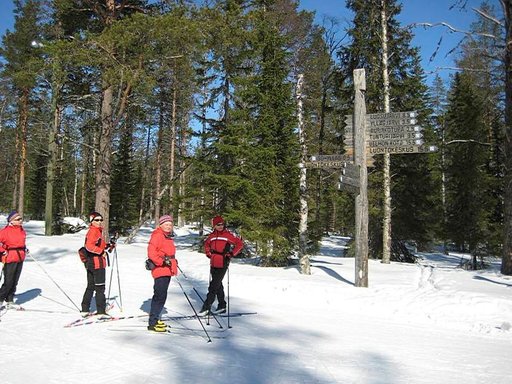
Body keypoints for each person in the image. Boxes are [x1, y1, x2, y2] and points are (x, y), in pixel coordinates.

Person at [199, 215, 243, 315]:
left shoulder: (227, 235)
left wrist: (232, 253)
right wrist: (208, 253)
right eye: (218, 224)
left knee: (213, 286)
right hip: (213, 261)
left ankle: (206, 306)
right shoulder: (212, 236)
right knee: (218, 285)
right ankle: (222, 305)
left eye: (222, 224)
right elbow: (206, 244)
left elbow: (239, 244)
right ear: (214, 225)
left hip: (223, 261)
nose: (220, 226)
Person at [147, 215, 178, 332]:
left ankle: (156, 318)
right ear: (161, 225)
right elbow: (151, 253)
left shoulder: (168, 237)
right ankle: (152, 323)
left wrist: (173, 262)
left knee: (162, 296)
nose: (168, 226)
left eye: (170, 224)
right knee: (159, 296)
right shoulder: (158, 236)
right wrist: (162, 261)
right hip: (160, 269)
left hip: (167, 270)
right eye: (166, 224)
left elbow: (169, 253)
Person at [80, 211, 112, 317]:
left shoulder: (96, 231)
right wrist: (101, 252)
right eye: (96, 220)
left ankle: (85, 308)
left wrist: (108, 246)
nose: (99, 222)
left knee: (91, 286)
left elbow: (98, 245)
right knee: (99, 287)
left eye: (101, 220)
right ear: (92, 221)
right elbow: (89, 246)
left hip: (91, 263)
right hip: (96, 263)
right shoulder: (94, 231)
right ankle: (101, 311)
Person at [0, 211, 27, 309]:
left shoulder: (22, 230)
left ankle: (10, 300)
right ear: (11, 221)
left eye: (21, 219)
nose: (21, 221)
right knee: (8, 281)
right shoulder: (5, 231)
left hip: (20, 257)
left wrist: (25, 248)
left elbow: (21, 243)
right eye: (18, 219)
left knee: (15, 281)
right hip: (10, 257)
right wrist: (2, 250)